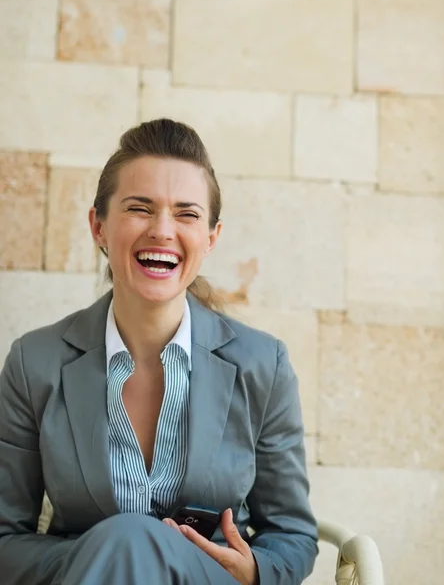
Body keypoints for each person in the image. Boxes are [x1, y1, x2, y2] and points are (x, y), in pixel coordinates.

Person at [0, 118, 318, 585]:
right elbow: (6, 538)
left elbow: (292, 535)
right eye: (139, 208)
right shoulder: (35, 364)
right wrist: (110, 553)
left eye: (186, 214)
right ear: (99, 226)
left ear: (210, 238)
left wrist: (252, 570)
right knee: (127, 541)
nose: (162, 230)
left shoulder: (261, 365)